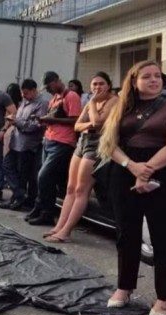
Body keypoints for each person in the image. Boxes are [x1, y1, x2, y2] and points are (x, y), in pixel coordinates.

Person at [99, 60, 166, 315]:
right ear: (134, 81)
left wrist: (146, 169)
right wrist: (131, 166)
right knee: (127, 233)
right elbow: (109, 144)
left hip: (162, 172)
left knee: (165, 238)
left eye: (157, 76)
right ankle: (124, 287)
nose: (153, 80)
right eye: (146, 76)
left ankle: (165, 297)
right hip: (124, 170)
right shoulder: (121, 106)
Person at [45, 72, 118, 243]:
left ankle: (66, 231)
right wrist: (90, 124)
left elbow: (99, 122)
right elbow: (78, 125)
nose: (97, 87)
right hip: (83, 143)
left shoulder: (113, 101)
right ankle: (59, 227)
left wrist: (92, 104)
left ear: (108, 85)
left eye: (101, 84)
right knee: (70, 187)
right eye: (94, 84)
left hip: (98, 146)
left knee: (81, 190)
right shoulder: (92, 102)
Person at [26, 71, 82, 225]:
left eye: (49, 85)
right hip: (49, 140)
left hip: (63, 143)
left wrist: (51, 119)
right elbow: (53, 119)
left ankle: (47, 213)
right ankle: (40, 208)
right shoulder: (55, 98)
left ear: (57, 81)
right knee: (44, 179)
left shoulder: (71, 96)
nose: (48, 89)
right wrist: (42, 120)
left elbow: (75, 120)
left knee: (44, 177)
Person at [1, 79, 47, 211]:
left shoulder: (41, 104)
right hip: (16, 142)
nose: (24, 96)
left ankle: (19, 199)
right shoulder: (24, 102)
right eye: (23, 93)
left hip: (28, 145)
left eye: (26, 93)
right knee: (7, 165)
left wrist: (18, 121)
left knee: (23, 174)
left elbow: (35, 126)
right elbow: (20, 118)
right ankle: (18, 195)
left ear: (34, 90)